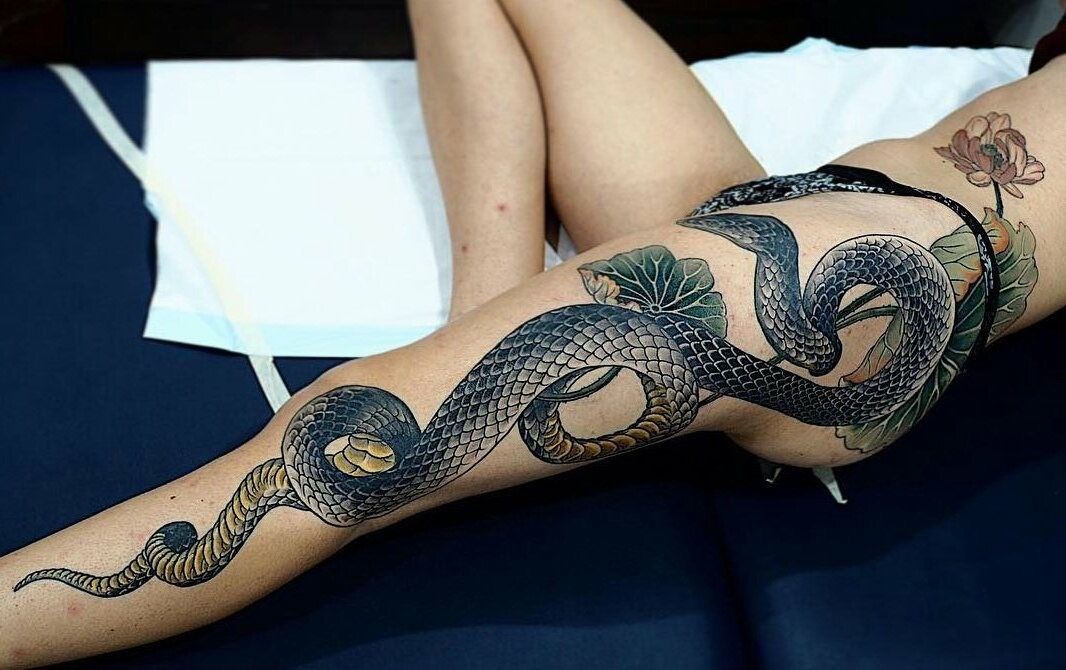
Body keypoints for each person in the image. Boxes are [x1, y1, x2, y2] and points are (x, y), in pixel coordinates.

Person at [2, 0, 1063, 665]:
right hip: (800, 204)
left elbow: (331, 472)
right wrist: (488, 323)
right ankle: (487, 299)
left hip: (877, 284)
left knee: (337, 461)